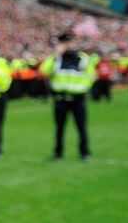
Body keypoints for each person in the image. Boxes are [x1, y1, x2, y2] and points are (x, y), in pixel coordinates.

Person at [40, 33, 96, 161]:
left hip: (78, 99)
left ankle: (85, 153)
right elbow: (44, 71)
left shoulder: (83, 58)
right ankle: (58, 153)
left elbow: (91, 76)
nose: (67, 45)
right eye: (64, 43)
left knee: (81, 127)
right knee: (59, 128)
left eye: (69, 42)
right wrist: (55, 55)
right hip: (61, 99)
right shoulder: (56, 59)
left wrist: (83, 88)